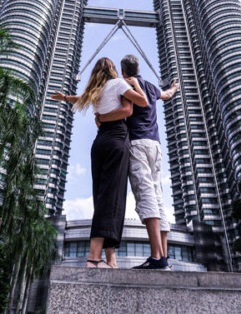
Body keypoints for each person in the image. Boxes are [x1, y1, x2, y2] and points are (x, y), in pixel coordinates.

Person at [51, 57, 148, 269]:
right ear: (113, 70)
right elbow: (139, 104)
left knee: (102, 198)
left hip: (100, 143)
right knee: (112, 199)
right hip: (115, 140)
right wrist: (136, 85)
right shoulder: (118, 84)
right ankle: (94, 258)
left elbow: (80, 98)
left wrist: (65, 97)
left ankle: (111, 260)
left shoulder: (97, 90)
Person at [95, 55, 179, 270]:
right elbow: (167, 95)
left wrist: (101, 118)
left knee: (145, 195)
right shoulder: (150, 86)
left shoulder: (126, 84)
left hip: (138, 144)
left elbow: (124, 109)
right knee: (158, 196)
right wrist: (175, 88)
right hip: (156, 146)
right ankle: (164, 257)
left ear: (123, 71)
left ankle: (156, 258)